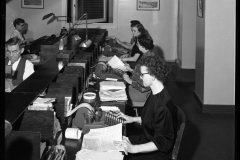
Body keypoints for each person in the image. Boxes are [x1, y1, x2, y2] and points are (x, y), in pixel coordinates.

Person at [114, 55, 179, 160]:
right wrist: (132, 119)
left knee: (120, 154)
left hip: (158, 153)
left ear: (153, 75)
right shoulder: (155, 94)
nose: (140, 77)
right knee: (116, 142)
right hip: (148, 138)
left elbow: (163, 143)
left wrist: (133, 149)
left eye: (142, 74)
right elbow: (152, 119)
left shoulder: (163, 106)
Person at [123, 33, 155, 105]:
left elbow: (145, 87)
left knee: (119, 93)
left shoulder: (148, 59)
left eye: (137, 44)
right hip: (141, 90)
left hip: (144, 94)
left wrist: (130, 81)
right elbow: (141, 74)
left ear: (142, 46)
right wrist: (130, 69)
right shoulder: (148, 54)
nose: (136, 45)